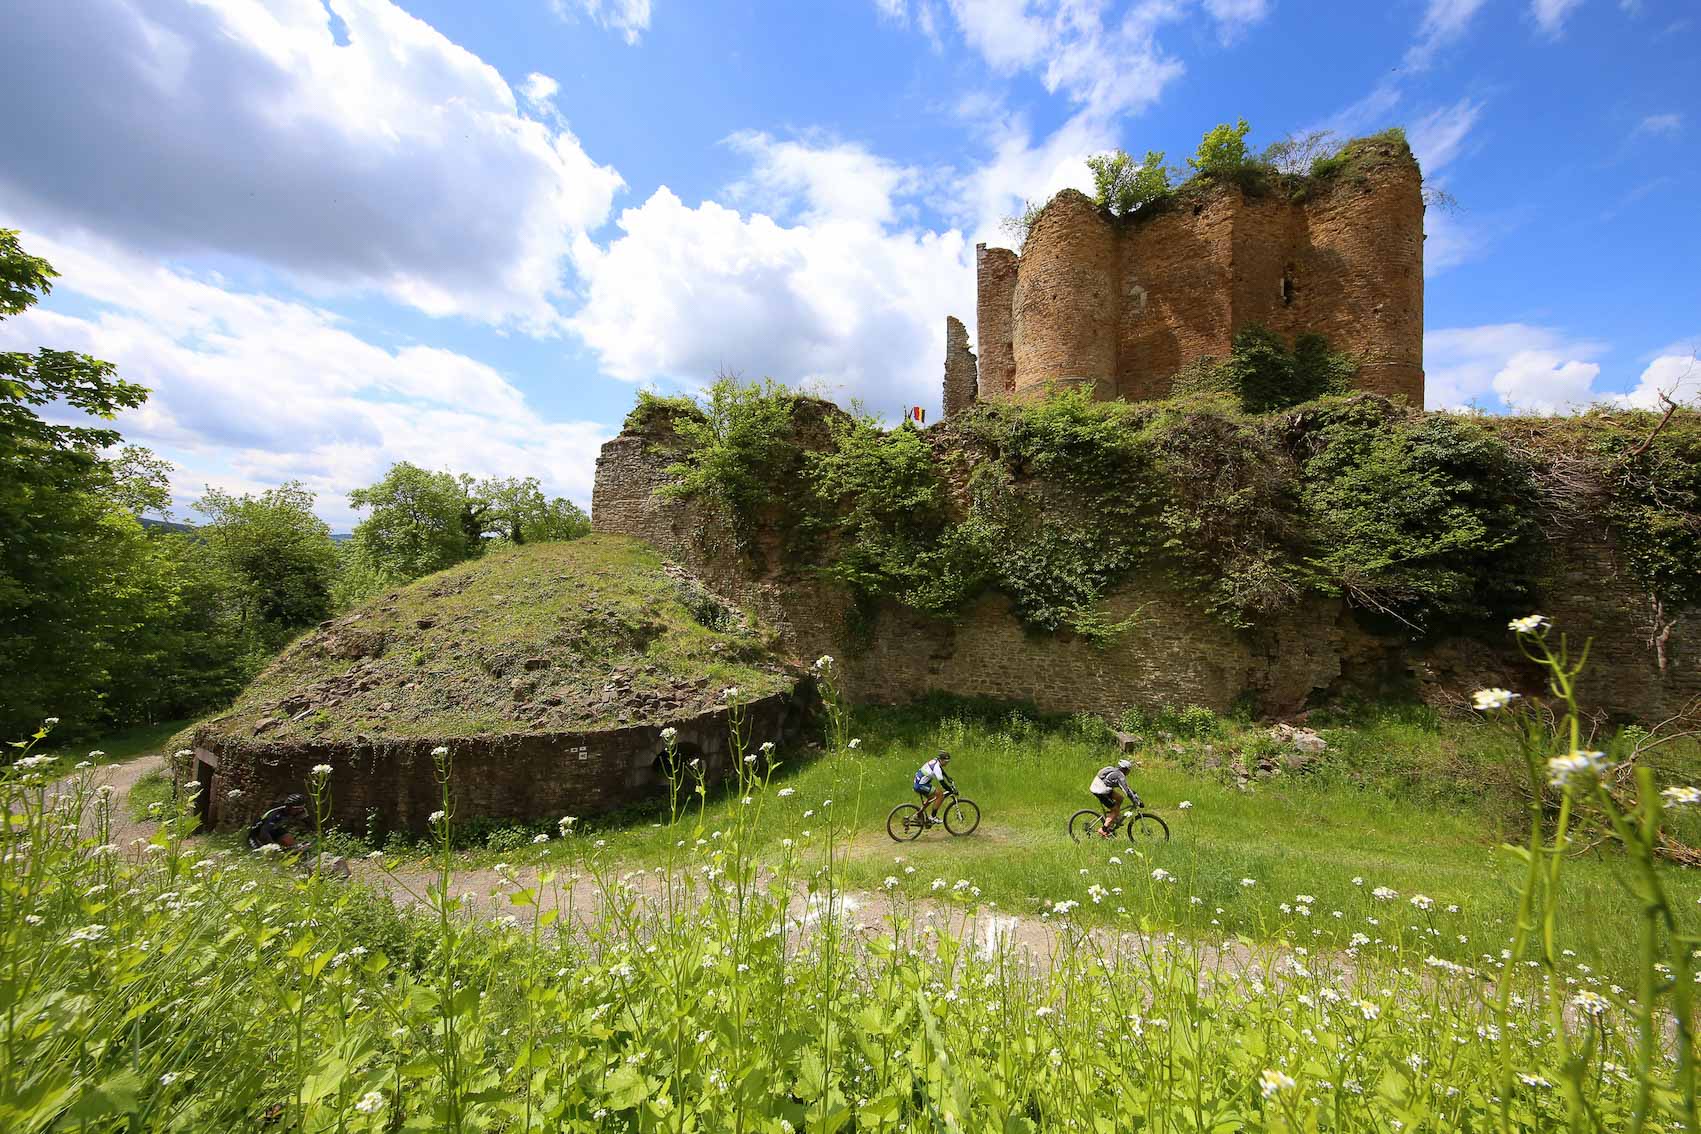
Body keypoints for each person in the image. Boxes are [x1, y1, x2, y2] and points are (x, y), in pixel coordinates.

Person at [1089, 759, 1140, 837]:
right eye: (1128, 770)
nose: (1129, 772)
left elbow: (1126, 788)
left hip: (1100, 787)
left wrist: (1134, 793)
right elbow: (1126, 791)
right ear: (1124, 769)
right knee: (1115, 810)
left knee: (1120, 798)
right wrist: (1136, 801)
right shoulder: (1120, 776)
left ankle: (1112, 818)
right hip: (1100, 791)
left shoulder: (1113, 770)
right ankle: (1103, 829)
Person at [912, 751, 954, 827]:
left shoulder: (936, 761)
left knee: (932, 797)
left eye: (948, 761)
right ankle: (933, 817)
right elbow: (942, 783)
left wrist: (947, 778)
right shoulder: (936, 768)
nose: (947, 763)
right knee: (940, 794)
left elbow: (942, 770)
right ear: (941, 760)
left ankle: (918, 814)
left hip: (919, 782)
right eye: (945, 761)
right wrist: (951, 790)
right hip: (920, 785)